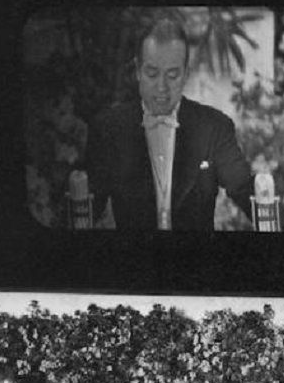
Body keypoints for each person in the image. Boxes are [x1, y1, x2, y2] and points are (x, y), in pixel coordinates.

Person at [87, 18, 253, 231]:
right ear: (138, 70)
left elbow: (243, 187)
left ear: (185, 74)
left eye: (172, 75)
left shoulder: (214, 127)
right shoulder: (108, 129)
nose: (162, 87)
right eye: (152, 74)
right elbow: (87, 206)